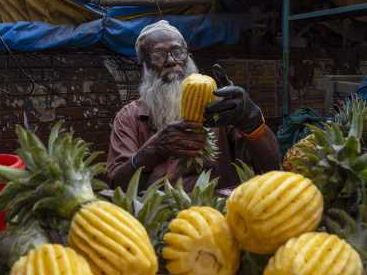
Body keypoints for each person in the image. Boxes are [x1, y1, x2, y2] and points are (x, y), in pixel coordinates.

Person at [106, 20, 280, 192]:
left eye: (178, 52)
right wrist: (152, 149)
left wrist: (252, 120)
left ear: (189, 59)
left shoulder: (223, 108)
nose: (171, 61)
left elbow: (271, 168)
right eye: (158, 56)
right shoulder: (129, 117)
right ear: (143, 69)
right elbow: (117, 187)